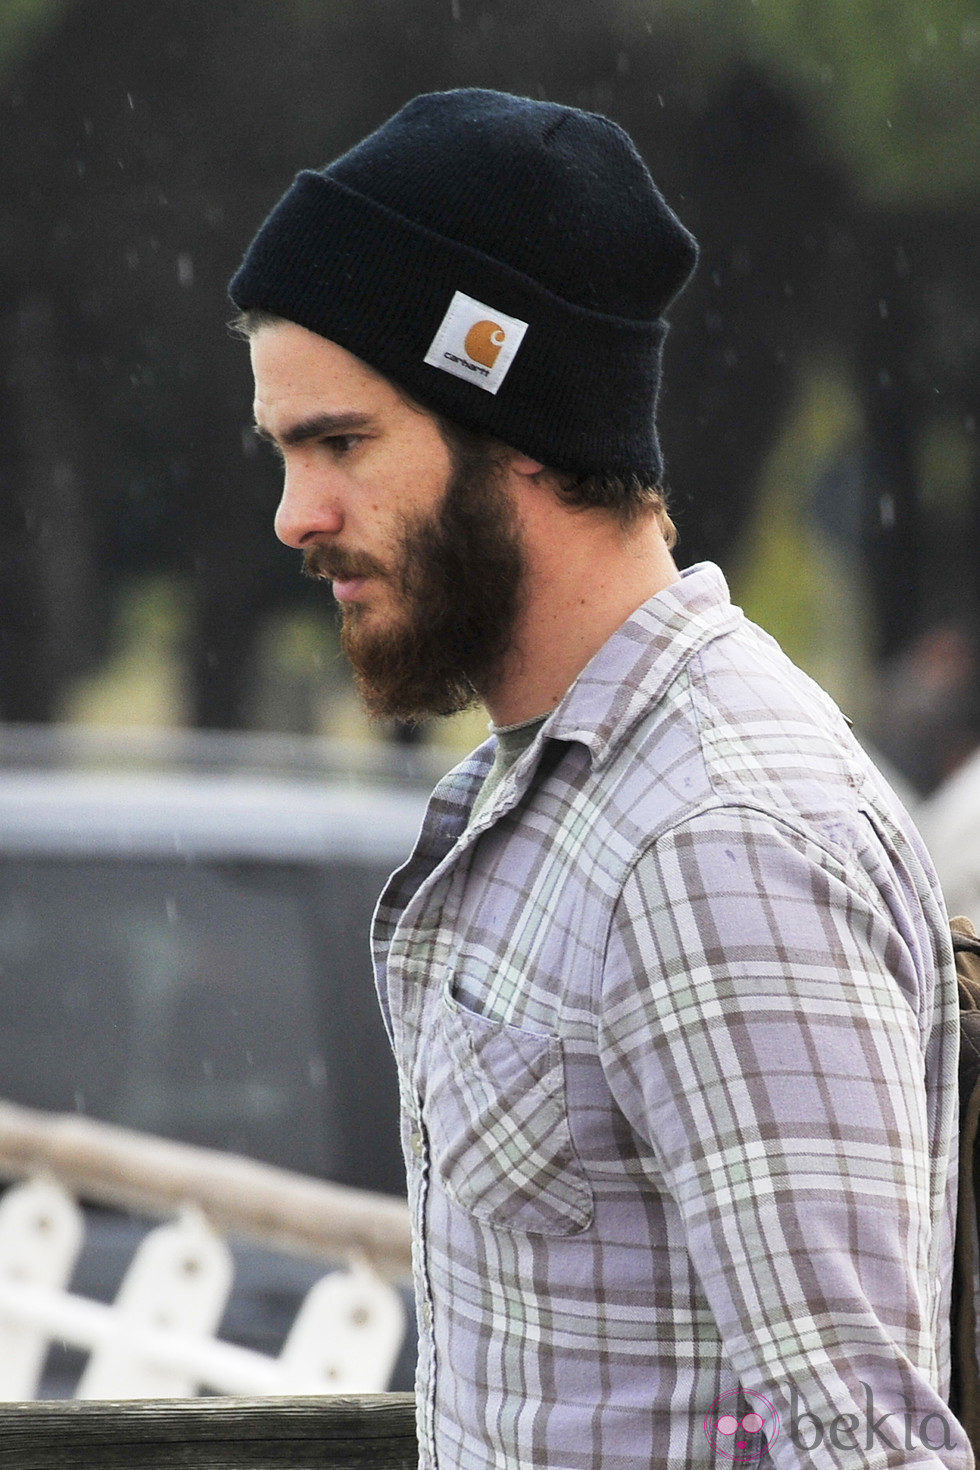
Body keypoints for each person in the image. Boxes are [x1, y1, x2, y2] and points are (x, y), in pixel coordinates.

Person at [229, 89, 968, 1469]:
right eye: (284, 453)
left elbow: (864, 1443)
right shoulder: (571, 786)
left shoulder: (716, 833)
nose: (295, 516)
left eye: (341, 443)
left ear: (514, 416)